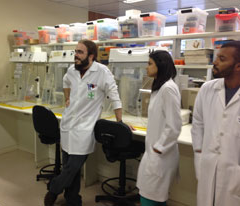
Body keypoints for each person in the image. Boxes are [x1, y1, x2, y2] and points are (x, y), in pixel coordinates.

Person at [44, 39, 122, 206]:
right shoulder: (72, 70)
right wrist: (67, 97)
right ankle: (73, 200)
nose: (76, 56)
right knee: (71, 169)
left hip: (85, 129)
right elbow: (65, 81)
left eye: (80, 52)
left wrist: (120, 122)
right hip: (67, 124)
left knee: (71, 168)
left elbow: (114, 96)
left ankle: (53, 189)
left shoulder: (102, 72)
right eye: (75, 52)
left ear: (91, 56)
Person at [191, 41, 240, 206]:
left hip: (235, 174)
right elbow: (198, 123)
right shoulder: (207, 89)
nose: (215, 62)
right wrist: (199, 153)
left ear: (238, 66)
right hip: (208, 166)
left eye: (222, 58)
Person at [136, 50, 182, 206]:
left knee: (151, 196)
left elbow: (174, 125)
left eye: (149, 64)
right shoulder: (160, 87)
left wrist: (158, 148)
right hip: (154, 152)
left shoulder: (168, 89)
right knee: (151, 194)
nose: (146, 67)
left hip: (160, 154)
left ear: (160, 66)